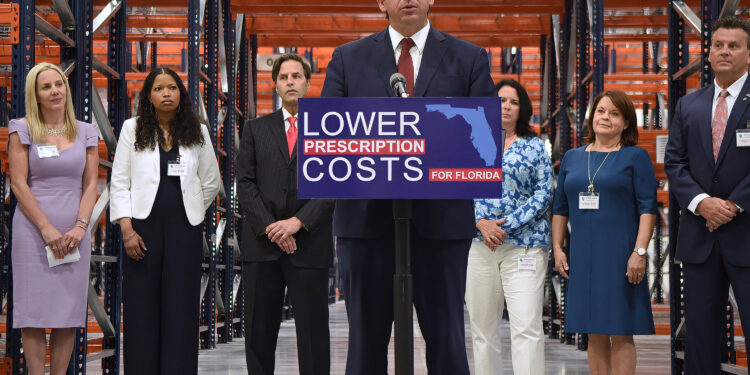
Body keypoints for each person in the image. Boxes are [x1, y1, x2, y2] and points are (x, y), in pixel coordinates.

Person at [320, 0, 496, 373]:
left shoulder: (469, 58)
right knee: (365, 344)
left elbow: (484, 137)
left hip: (441, 224)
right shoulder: (346, 59)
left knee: (447, 340)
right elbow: (330, 134)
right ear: (381, 2)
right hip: (366, 223)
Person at [109, 66, 221, 374]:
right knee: (141, 306)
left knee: (181, 306)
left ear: (180, 93)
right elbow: (119, 182)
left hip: (185, 229)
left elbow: (211, 180)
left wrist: (193, 210)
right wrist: (127, 230)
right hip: (142, 230)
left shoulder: (197, 129)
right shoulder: (132, 129)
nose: (166, 93)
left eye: (171, 87)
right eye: (158, 88)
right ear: (148, 95)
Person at [236, 54, 334, 375]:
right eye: (283, 77)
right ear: (275, 84)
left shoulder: (328, 129)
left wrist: (298, 222)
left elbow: (334, 183)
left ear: (308, 82)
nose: (290, 81)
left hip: (309, 244)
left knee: (313, 335)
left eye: (296, 76)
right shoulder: (254, 129)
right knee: (259, 335)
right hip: (263, 247)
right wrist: (270, 227)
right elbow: (245, 184)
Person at [664, 15, 750, 373]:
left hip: (745, 233)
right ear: (710, 53)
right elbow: (674, 162)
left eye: (734, 46)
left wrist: (731, 204)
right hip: (700, 237)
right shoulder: (689, 105)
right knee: (699, 336)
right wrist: (703, 203)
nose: (725, 52)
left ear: (748, 53)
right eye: (718, 45)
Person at [552, 90, 656, 375]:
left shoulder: (635, 157)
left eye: (614, 113)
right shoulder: (572, 158)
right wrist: (559, 248)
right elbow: (559, 208)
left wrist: (639, 252)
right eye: (600, 111)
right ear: (591, 117)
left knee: (621, 330)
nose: (605, 118)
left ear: (625, 123)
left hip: (621, 256)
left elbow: (648, 209)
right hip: (583, 256)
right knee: (593, 330)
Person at [8, 62, 99, 375]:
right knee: (32, 312)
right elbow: (18, 182)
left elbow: (91, 184)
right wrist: (47, 229)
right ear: (35, 94)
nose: (55, 91)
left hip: (75, 234)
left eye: (58, 84)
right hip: (32, 233)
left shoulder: (86, 131)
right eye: (46, 87)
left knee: (67, 312)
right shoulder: (22, 129)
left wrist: (80, 226)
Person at [466, 79, 553, 375]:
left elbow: (544, 192)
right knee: (482, 328)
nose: (506, 106)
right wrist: (480, 222)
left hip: (524, 246)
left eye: (513, 102)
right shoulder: (471, 141)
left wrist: (507, 225)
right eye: (501, 100)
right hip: (479, 246)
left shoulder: (535, 146)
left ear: (522, 109)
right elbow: (457, 186)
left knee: (527, 326)